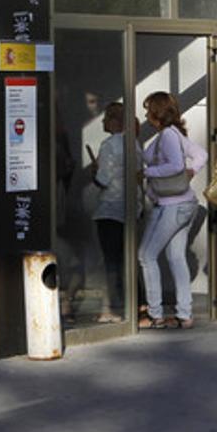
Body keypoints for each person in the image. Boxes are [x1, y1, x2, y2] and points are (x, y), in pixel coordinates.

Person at [138, 92, 208, 330]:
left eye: (148, 110)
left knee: (146, 256)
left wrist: (147, 172)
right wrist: (192, 171)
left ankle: (155, 315)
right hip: (183, 204)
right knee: (176, 257)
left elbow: (176, 165)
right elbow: (201, 155)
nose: (146, 115)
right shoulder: (174, 133)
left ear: (157, 112)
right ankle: (184, 315)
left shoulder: (168, 135)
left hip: (171, 205)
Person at [90, 102, 130, 324]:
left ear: (115, 121)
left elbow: (103, 179)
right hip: (129, 207)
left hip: (110, 208)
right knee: (126, 257)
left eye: (106, 117)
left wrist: (95, 172)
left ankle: (111, 307)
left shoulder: (108, 146)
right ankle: (132, 303)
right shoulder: (133, 143)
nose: (103, 122)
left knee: (111, 260)